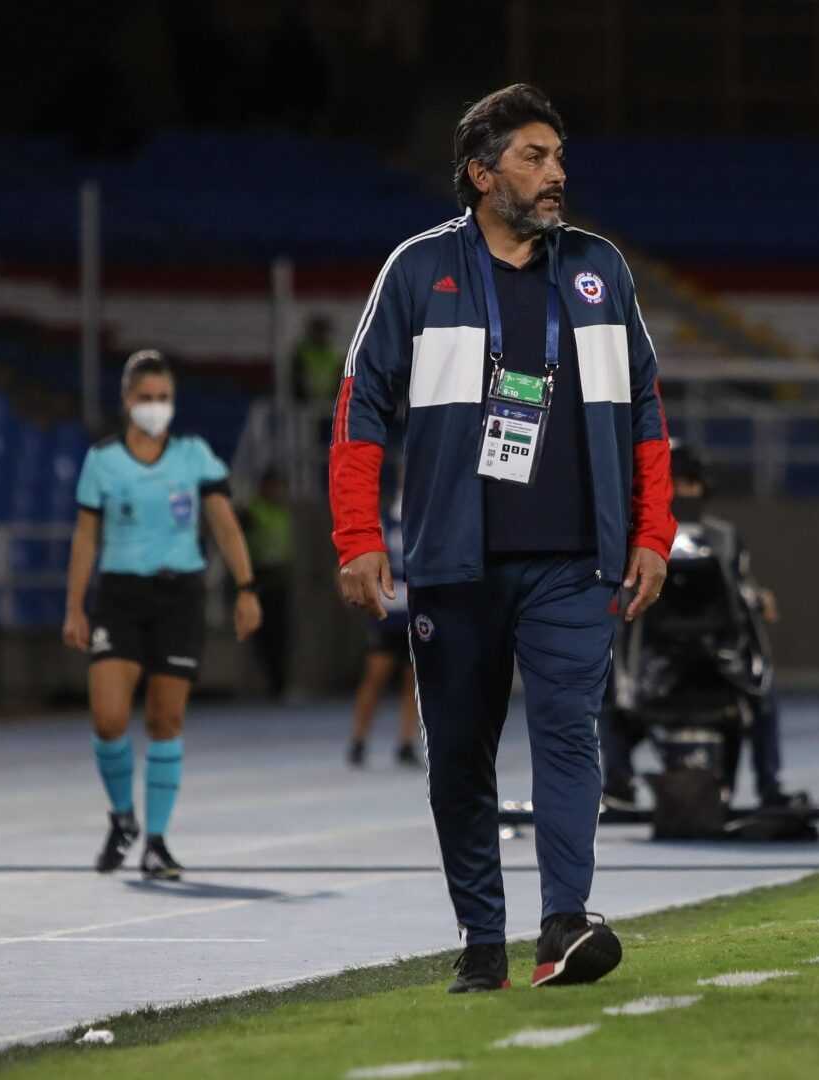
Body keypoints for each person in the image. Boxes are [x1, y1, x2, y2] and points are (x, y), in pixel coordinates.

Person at [330, 84, 675, 994]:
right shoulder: (418, 270)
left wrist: (655, 529)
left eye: (559, 156)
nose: (556, 173)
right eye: (534, 156)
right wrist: (357, 533)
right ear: (483, 174)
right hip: (454, 561)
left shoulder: (601, 269)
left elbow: (645, 406)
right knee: (459, 757)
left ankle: (564, 922)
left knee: (571, 741)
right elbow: (360, 405)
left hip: (576, 561)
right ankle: (482, 937)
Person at [63, 350, 262, 880]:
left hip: (178, 599)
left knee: (164, 720)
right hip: (121, 599)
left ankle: (156, 840)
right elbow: (86, 536)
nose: (156, 407)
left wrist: (246, 588)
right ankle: (122, 816)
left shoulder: (194, 455)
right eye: (147, 399)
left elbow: (224, 524)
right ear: (127, 401)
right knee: (108, 719)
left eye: (164, 399)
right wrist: (74, 606)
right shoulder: (103, 461)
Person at [602, 441, 801, 809]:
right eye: (671, 483)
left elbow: (740, 590)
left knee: (763, 689)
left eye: (686, 483)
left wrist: (757, 599)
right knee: (608, 687)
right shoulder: (636, 538)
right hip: (658, 666)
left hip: (716, 665)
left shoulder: (723, 537)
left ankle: (769, 784)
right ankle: (618, 781)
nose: (679, 492)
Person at [349, 487, 420, 768]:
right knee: (375, 676)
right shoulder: (381, 522)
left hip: (415, 611)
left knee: (413, 680)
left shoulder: (424, 518)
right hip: (388, 611)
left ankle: (405, 741)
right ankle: (359, 739)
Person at [238, 468, 294, 700]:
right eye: (273, 486)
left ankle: (280, 684)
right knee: (264, 635)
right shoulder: (251, 510)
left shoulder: (282, 510)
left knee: (282, 634)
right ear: (263, 486)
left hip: (280, 579)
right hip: (259, 579)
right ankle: (271, 684)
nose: (277, 490)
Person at [293, 315, 343, 406]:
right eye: (318, 330)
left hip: (329, 404)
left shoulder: (333, 354)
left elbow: (338, 377)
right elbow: (296, 379)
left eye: (324, 331)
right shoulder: (303, 351)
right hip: (305, 404)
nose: (321, 334)